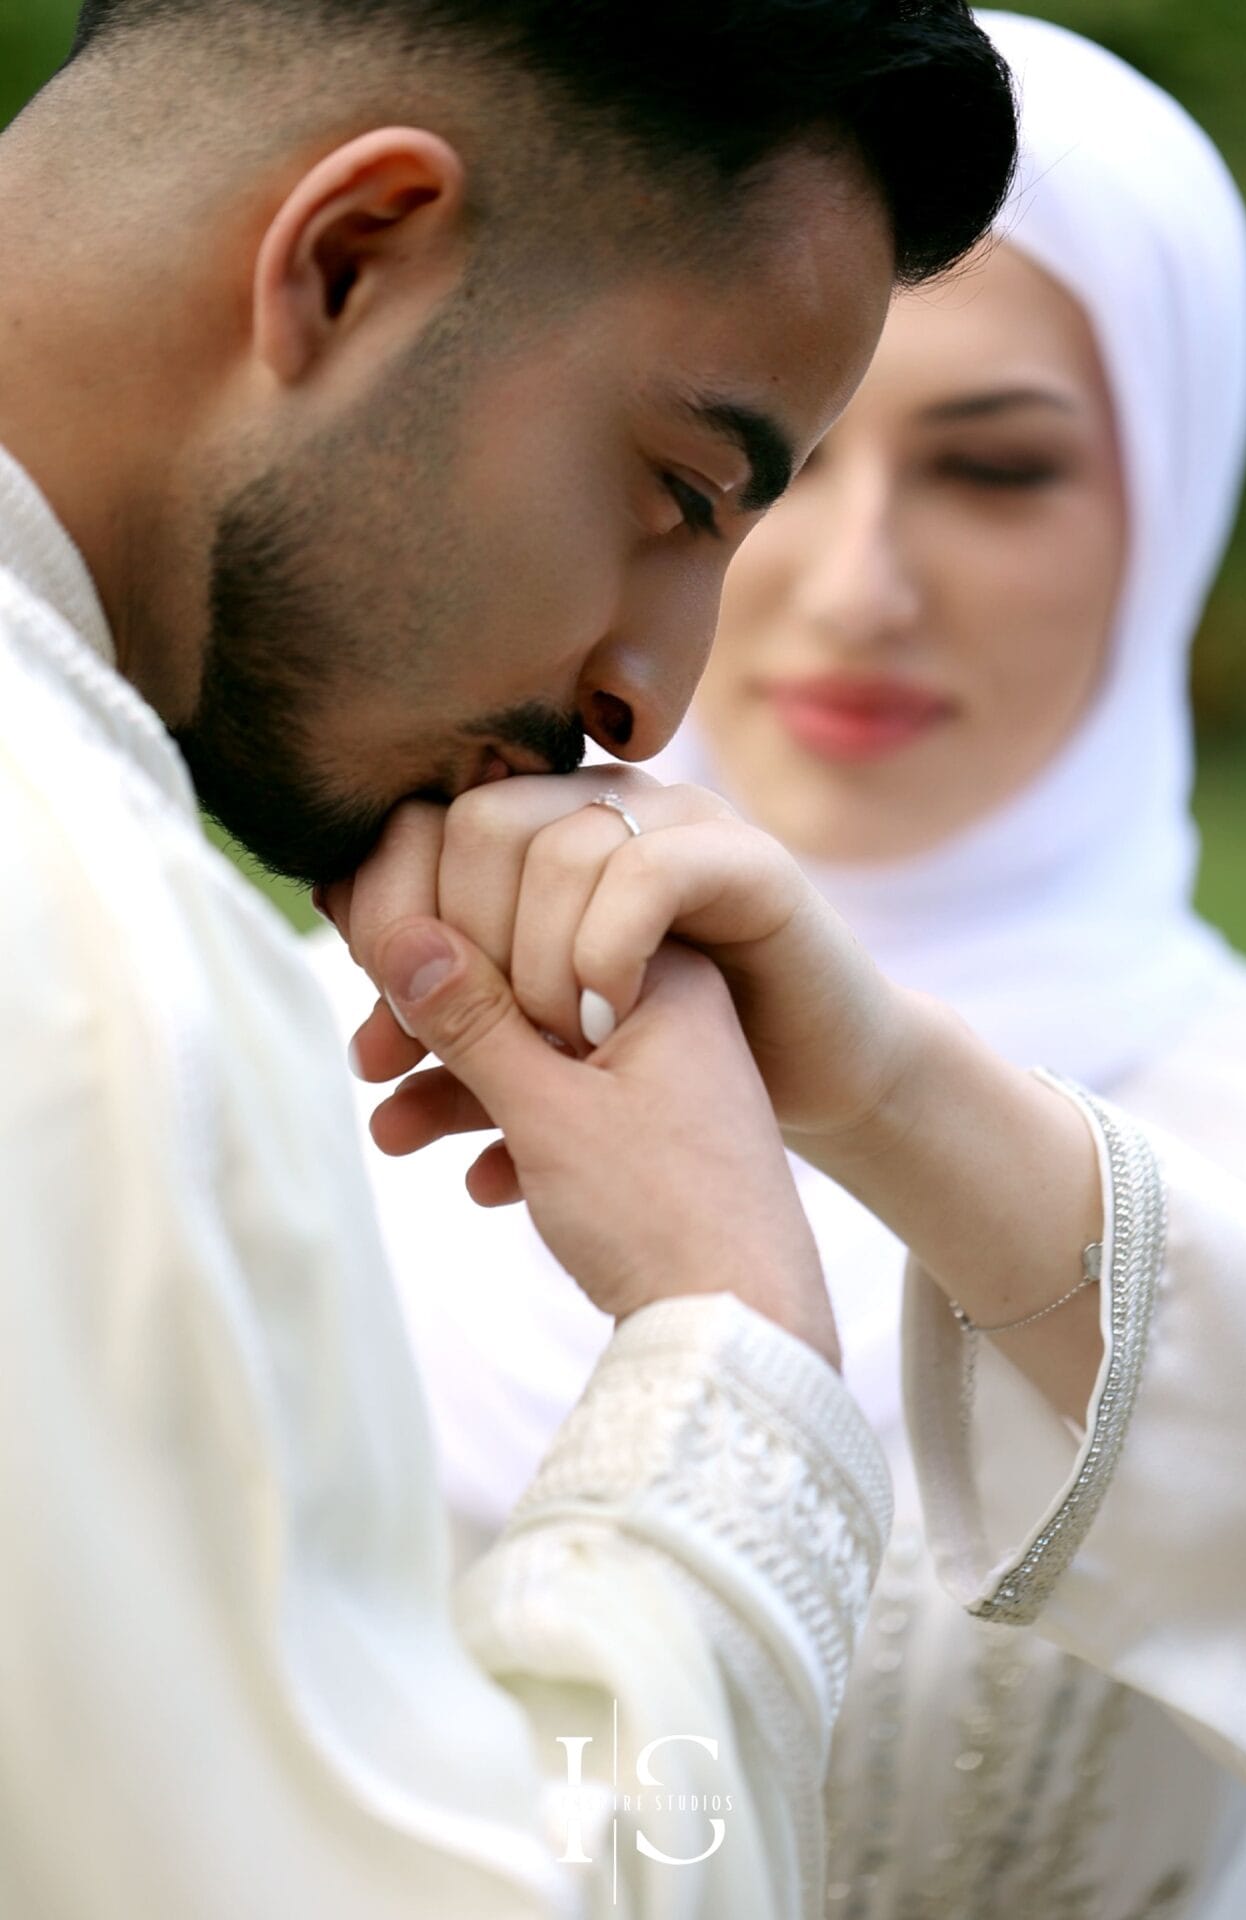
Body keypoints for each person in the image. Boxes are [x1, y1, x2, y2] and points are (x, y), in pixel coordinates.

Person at [0, 2, 1021, 1915]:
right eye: (683, 493)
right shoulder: (87, 972)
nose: (652, 700)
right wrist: (730, 1336)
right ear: (349, 260)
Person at [313, 15, 1246, 1916]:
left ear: (1172, 493)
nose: (856, 588)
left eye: (994, 473)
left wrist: (897, 1097)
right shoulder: (295, 1039)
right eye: (762, 472)